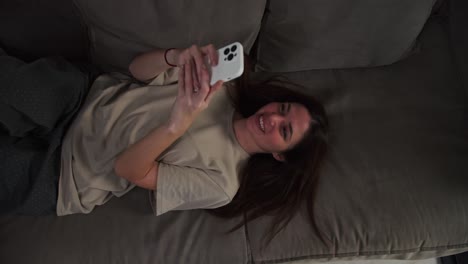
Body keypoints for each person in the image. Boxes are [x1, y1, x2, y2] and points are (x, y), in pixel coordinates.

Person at [0, 44, 328, 240]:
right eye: (282, 110)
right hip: (78, 99)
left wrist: (178, 123)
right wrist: (175, 57)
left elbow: (127, 169)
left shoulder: (222, 184)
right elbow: (136, 69)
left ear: (280, 155)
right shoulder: (224, 87)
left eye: (284, 131)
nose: (272, 119)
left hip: (67, 176)